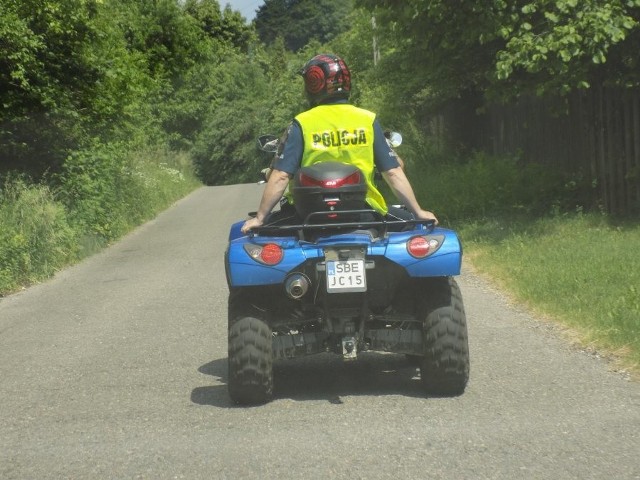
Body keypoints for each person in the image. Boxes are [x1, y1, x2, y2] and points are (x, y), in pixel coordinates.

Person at [241, 53, 437, 234]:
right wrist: (418, 212)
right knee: (420, 231)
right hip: (364, 212)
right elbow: (393, 172)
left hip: (306, 216)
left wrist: (260, 218)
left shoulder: (302, 123)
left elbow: (281, 176)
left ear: (313, 84)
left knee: (251, 236)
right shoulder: (367, 120)